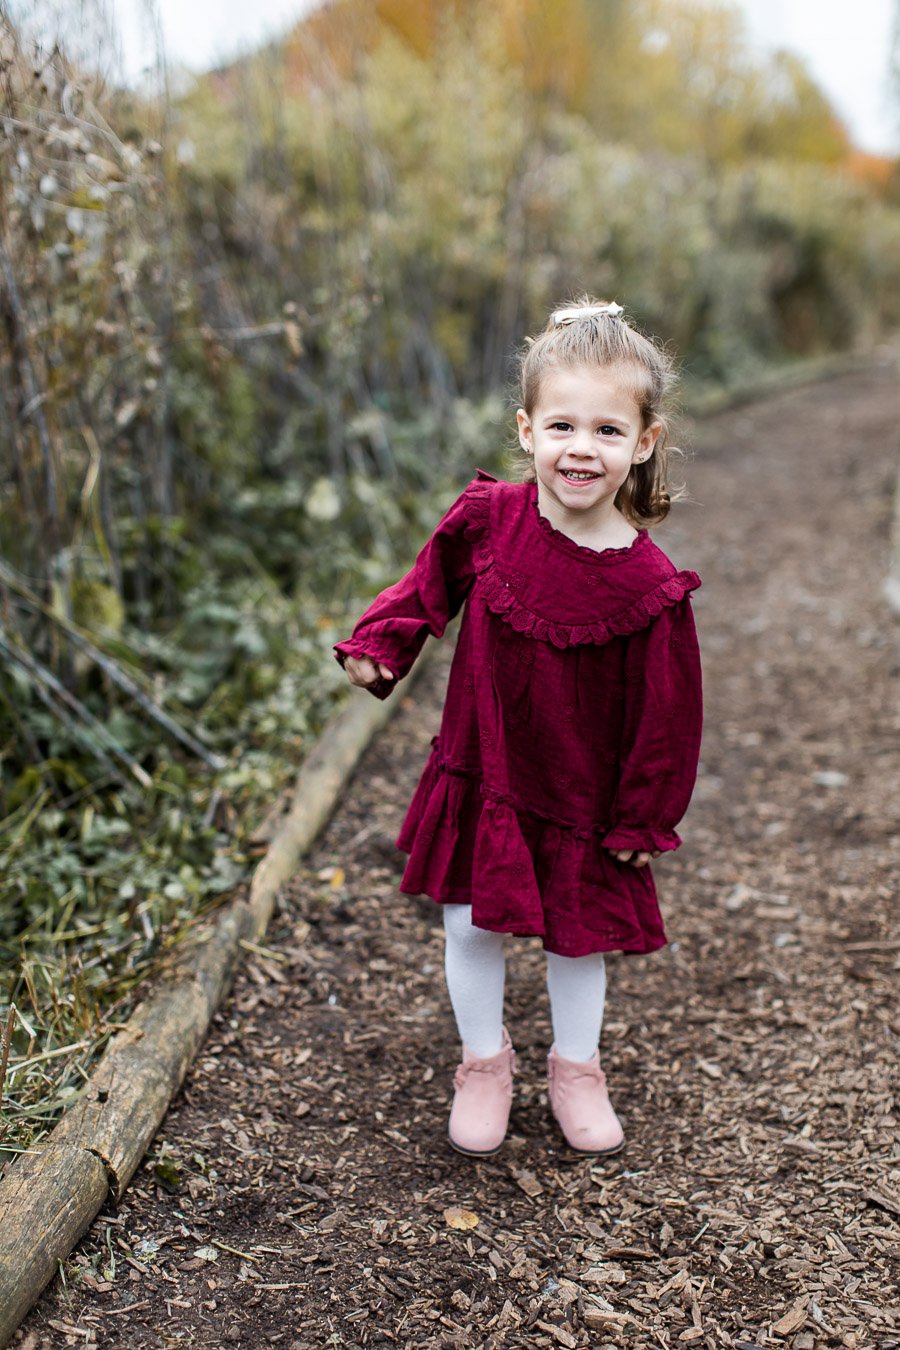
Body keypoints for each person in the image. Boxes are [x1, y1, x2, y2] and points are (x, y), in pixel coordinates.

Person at [334, 298, 703, 1159]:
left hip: (583, 788)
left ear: (643, 442)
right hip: (488, 762)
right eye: (563, 424)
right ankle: (484, 1062)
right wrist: (383, 644)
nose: (582, 447)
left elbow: (669, 715)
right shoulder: (490, 519)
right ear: (527, 427)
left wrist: (645, 814)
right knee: (471, 922)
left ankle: (576, 1069)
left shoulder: (650, 586)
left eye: (608, 431)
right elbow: (427, 585)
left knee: (579, 938)